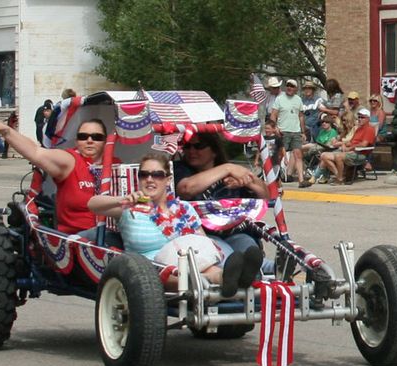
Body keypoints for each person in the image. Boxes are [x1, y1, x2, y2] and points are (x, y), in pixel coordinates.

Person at [88, 153, 262, 296]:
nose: (150, 179)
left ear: (167, 179)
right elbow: (93, 204)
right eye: (144, 175)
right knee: (170, 273)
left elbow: (200, 239)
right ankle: (213, 282)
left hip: (189, 262)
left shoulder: (184, 208)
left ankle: (229, 279)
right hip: (146, 271)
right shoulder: (129, 208)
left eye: (157, 175)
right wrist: (121, 199)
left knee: (206, 264)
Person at [0, 110, 120, 240]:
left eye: (96, 137)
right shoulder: (70, 161)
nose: (89, 140)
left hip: (114, 235)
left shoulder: (117, 165)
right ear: (77, 141)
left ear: (105, 141)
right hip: (78, 240)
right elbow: (36, 153)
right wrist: (6, 132)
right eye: (83, 136)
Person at [174, 133, 273, 273]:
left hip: (236, 232)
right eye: (187, 146)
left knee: (248, 247)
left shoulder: (234, 172)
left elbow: (265, 196)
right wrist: (227, 168)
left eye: (199, 146)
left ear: (214, 151)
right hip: (204, 235)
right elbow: (186, 188)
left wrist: (248, 182)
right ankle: (260, 271)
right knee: (227, 257)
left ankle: (274, 268)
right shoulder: (180, 169)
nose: (191, 151)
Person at [270, 79, 310, 188]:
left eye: (292, 86)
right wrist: (275, 127)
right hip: (283, 131)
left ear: (296, 88)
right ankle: (274, 180)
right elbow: (273, 115)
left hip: (295, 131)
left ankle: (301, 180)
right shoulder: (280, 99)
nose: (289, 88)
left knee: (298, 155)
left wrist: (302, 131)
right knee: (279, 156)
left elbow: (301, 116)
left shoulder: (298, 100)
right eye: (288, 85)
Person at [320, 107, 375, 185]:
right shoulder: (359, 129)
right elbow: (351, 142)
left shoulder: (370, 129)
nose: (360, 119)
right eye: (359, 117)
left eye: (362, 117)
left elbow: (363, 144)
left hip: (360, 154)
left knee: (338, 156)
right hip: (351, 151)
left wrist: (349, 148)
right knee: (324, 156)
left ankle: (339, 179)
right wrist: (343, 144)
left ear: (368, 119)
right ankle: (340, 176)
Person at [304, 115, 339, 184]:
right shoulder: (322, 131)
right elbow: (317, 141)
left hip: (326, 149)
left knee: (306, 147)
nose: (324, 123)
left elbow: (329, 144)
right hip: (318, 147)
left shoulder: (333, 132)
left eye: (326, 122)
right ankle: (316, 174)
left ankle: (317, 176)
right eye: (322, 122)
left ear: (330, 123)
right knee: (299, 151)